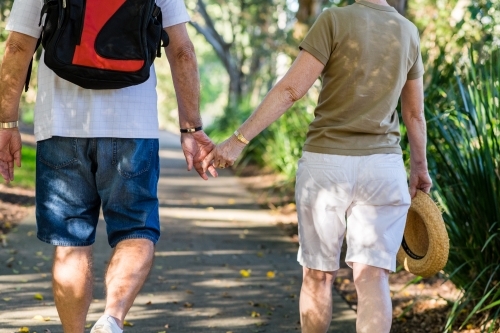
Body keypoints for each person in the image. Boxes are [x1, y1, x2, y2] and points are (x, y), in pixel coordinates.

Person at [203, 0, 432, 332]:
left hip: (327, 166)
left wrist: (237, 141)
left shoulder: (334, 20)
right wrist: (419, 169)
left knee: (319, 274)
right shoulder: (408, 32)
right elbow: (414, 115)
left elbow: (292, 89)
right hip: (384, 168)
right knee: (372, 276)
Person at [0, 0, 217, 332]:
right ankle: (111, 319)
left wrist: (7, 124)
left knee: (70, 242)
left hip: (60, 126)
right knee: (137, 229)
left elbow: (17, 46)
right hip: (133, 128)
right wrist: (191, 127)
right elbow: (183, 51)